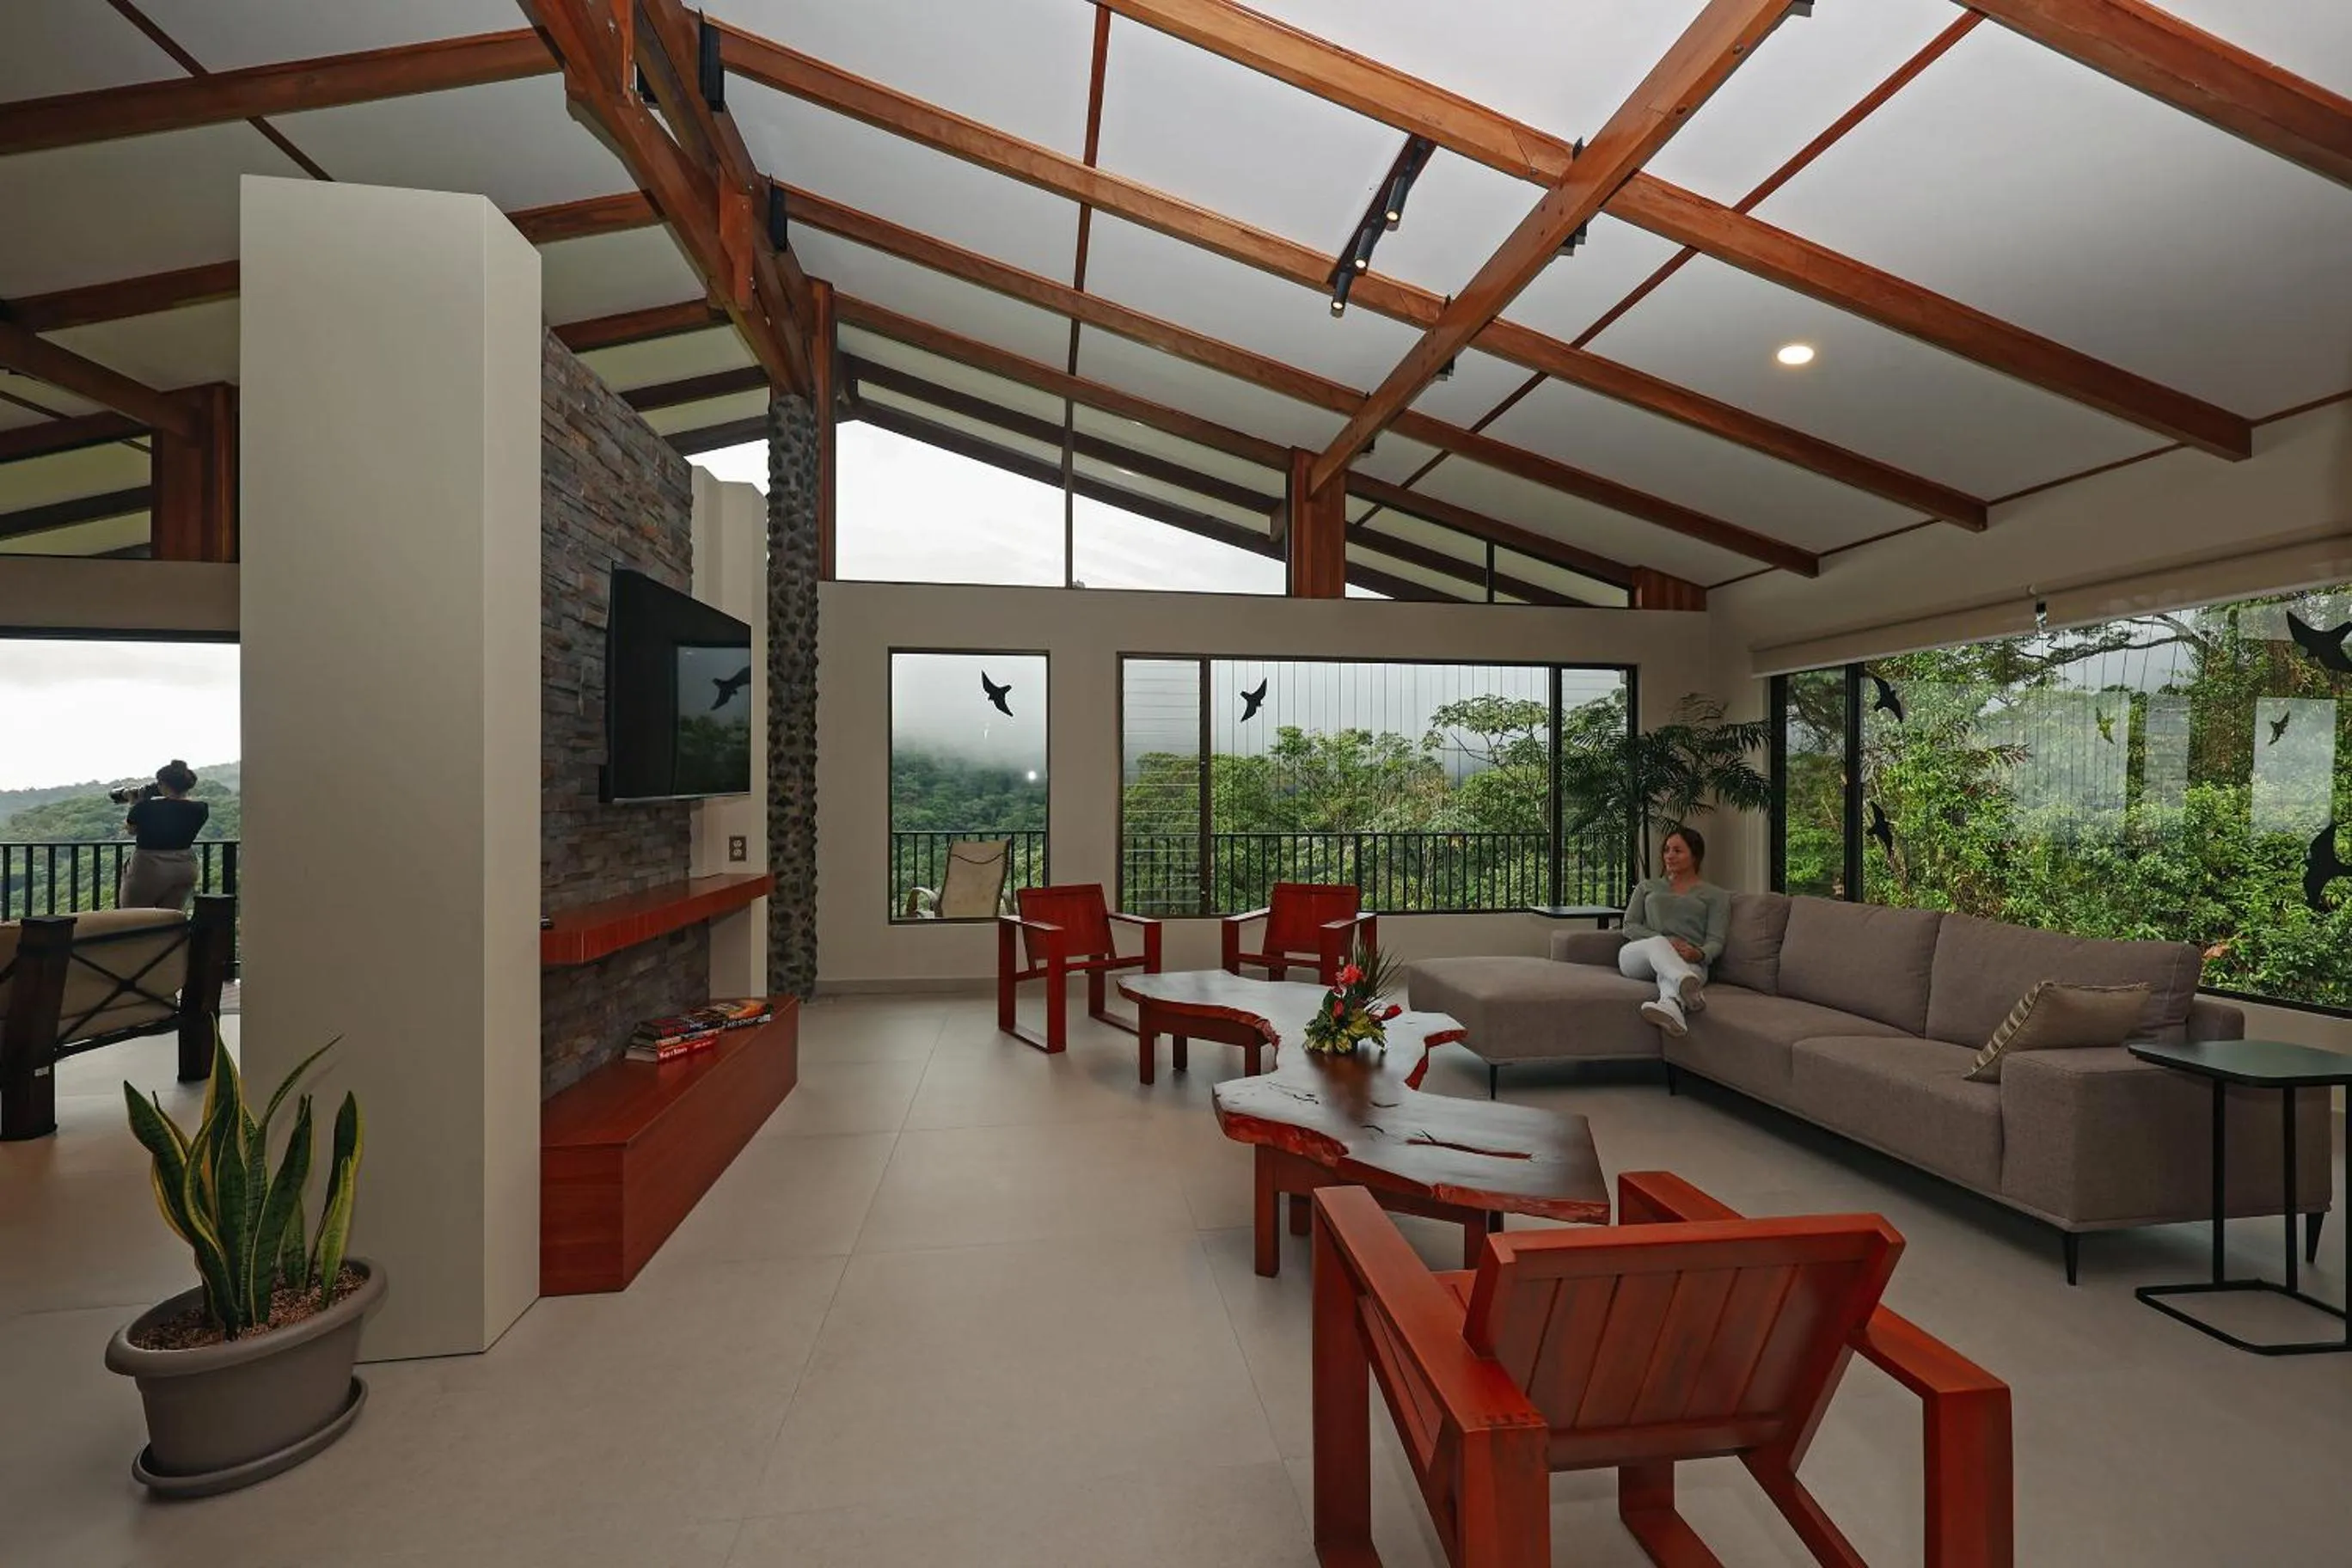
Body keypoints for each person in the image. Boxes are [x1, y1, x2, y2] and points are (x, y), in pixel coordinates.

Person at [1618, 825, 1730, 1038]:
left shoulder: (1717, 896)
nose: (1669, 855)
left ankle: (1671, 1007)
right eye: (1667, 850)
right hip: (1640, 956)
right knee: (1659, 944)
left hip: (1689, 960)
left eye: (1677, 851)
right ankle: (1685, 982)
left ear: (1695, 856)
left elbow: (1716, 939)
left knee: (1685, 972)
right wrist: (1666, 941)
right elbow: (1629, 925)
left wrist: (1699, 954)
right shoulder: (1647, 887)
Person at [119, 760, 209, 911]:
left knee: (134, 917)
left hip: (150, 866)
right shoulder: (201, 808)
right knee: (171, 918)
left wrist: (134, 803)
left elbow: (132, 830)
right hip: (185, 866)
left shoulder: (145, 807)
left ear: (163, 785)